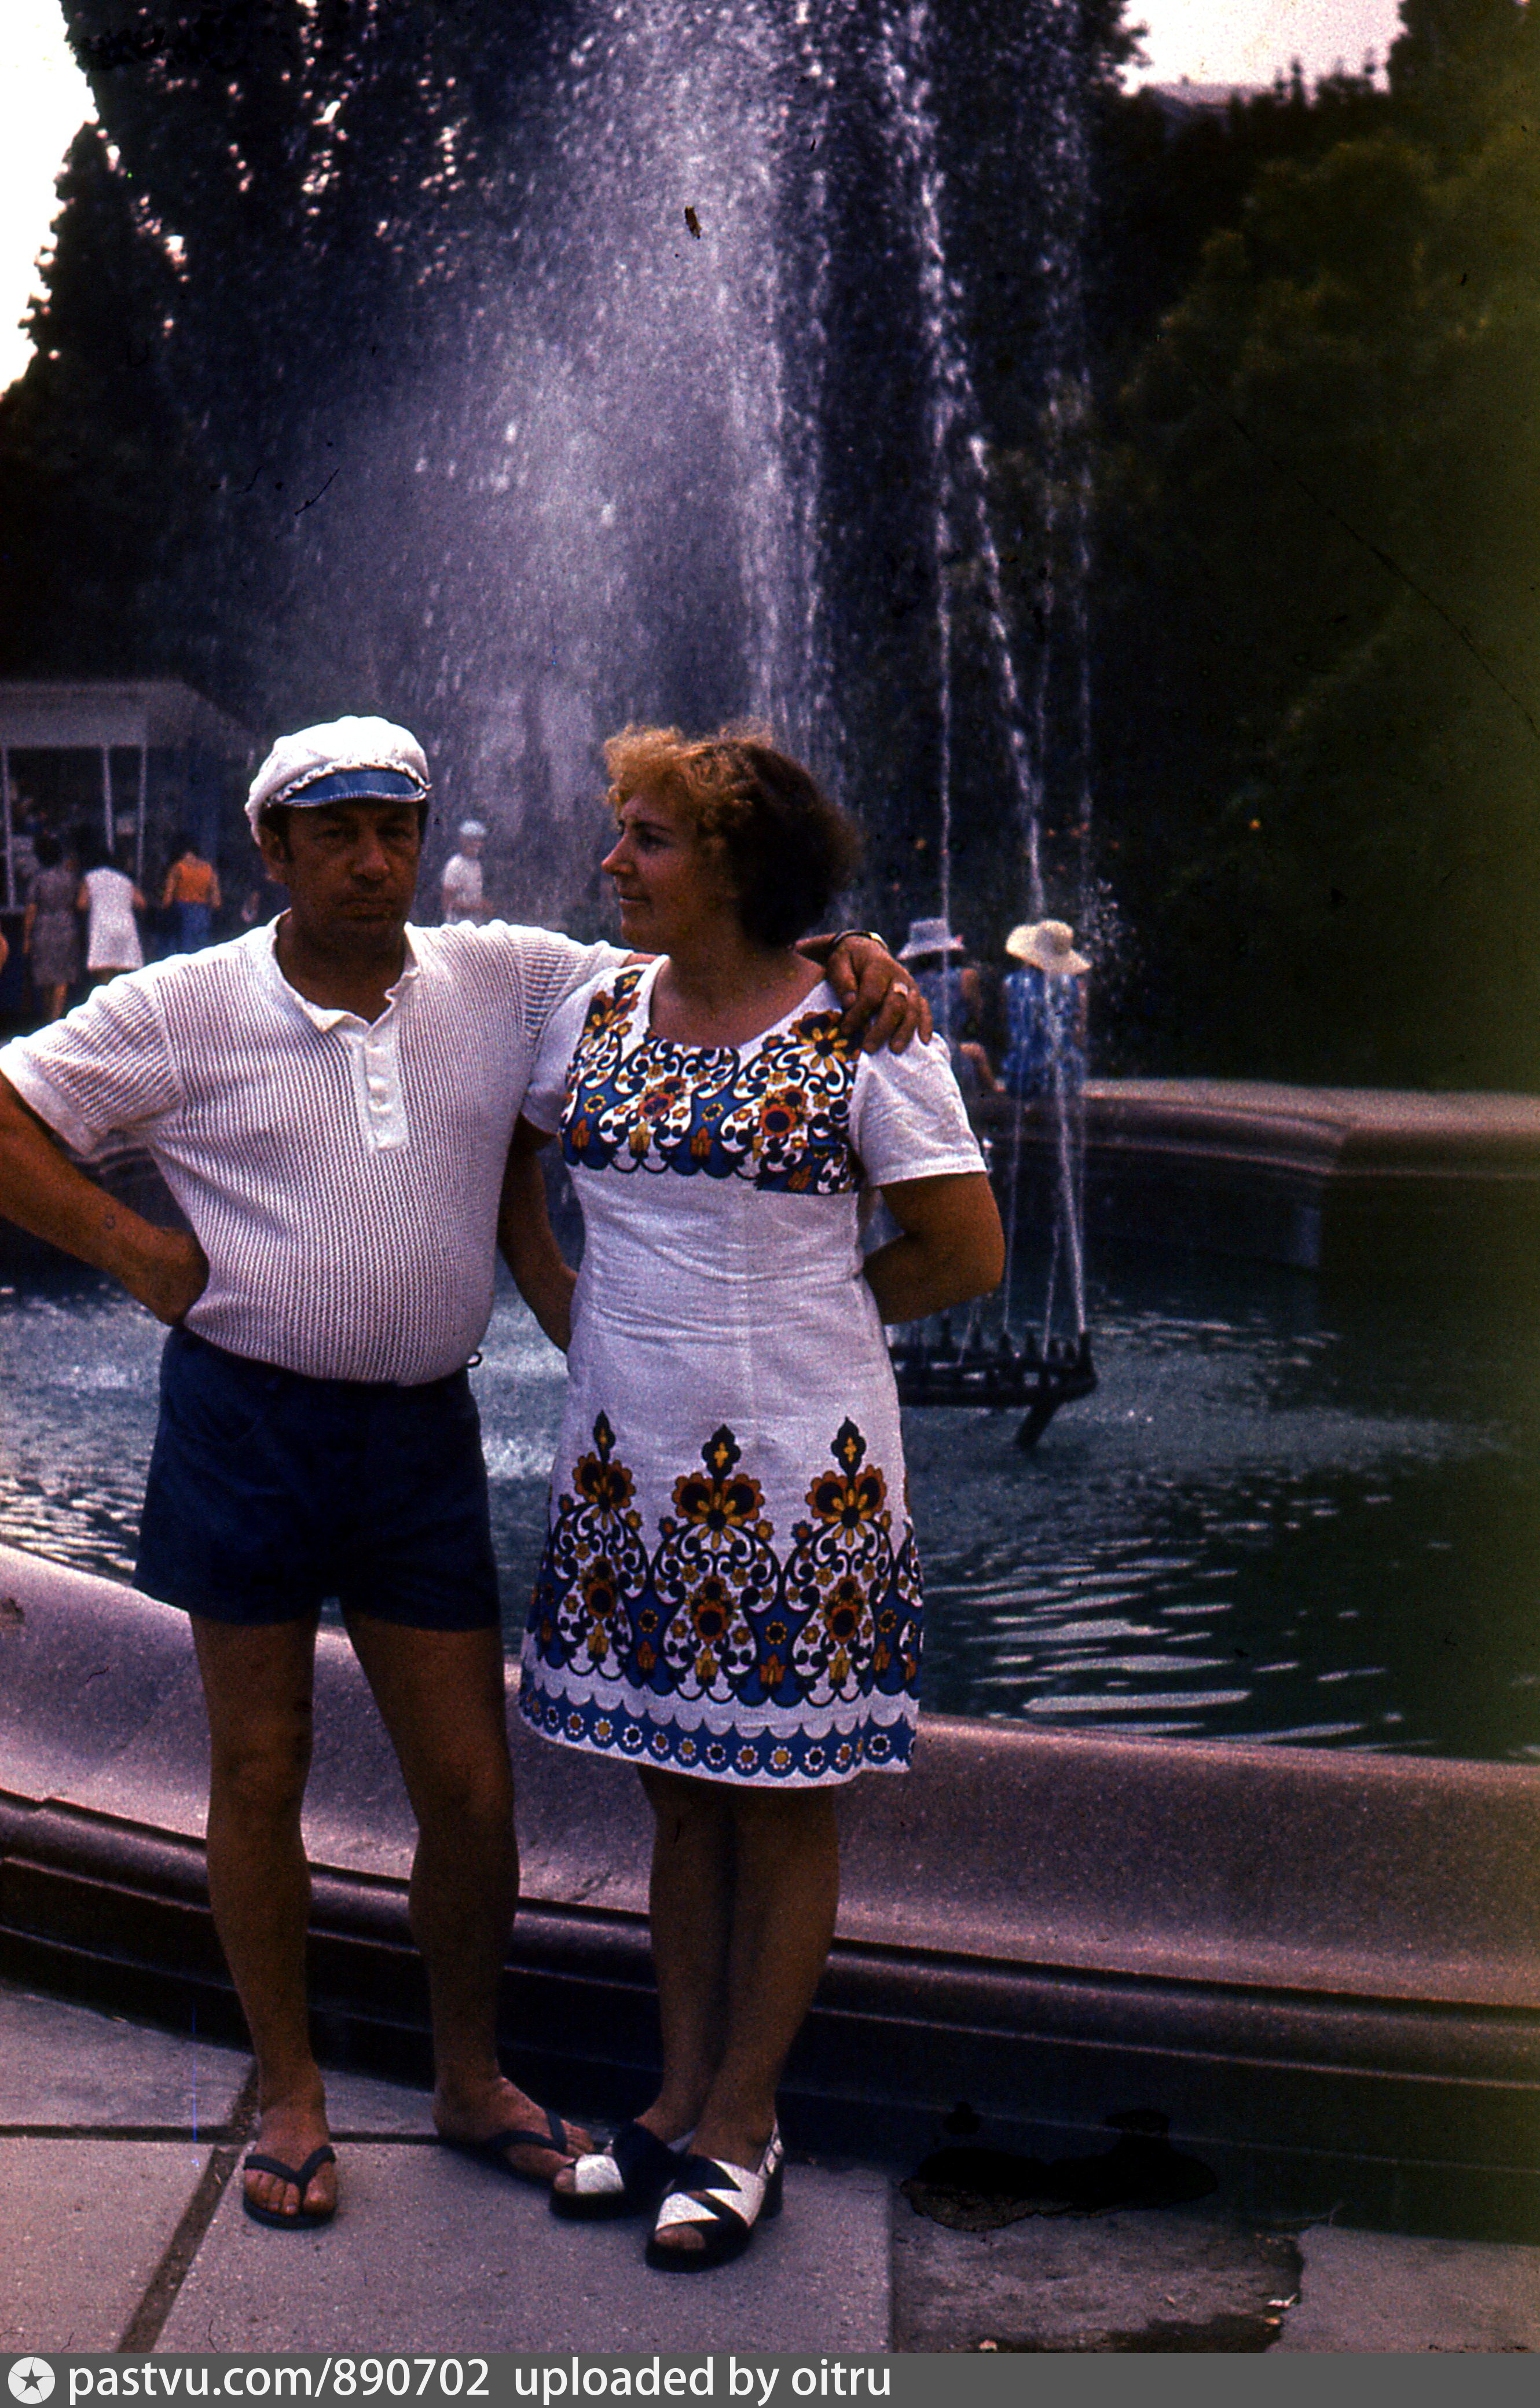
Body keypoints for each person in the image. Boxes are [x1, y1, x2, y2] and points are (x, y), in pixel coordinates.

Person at [0, 714, 925, 2235]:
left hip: (418, 1430)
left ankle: (468, 2074)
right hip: (244, 1425)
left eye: (398, 830)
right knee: (258, 1766)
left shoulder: (506, 977)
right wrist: (135, 1248)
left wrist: (845, 953)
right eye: (337, 834)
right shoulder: (183, 1003)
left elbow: (711, 957)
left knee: (472, 1784)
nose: (375, 861)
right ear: (273, 849)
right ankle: (289, 2089)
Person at [513, 727, 1004, 2271]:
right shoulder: (593, 1006)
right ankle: (674, 2099)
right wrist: (568, 1304)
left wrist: (812, 1317)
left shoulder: (864, 1027)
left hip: (800, 1488)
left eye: (648, 838)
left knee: (783, 1798)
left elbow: (966, 1249)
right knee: (676, 1789)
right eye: (623, 832)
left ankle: (743, 2123)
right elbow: (508, 1163)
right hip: (629, 1475)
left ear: (734, 867)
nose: (614, 861)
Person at [901, 915, 999, 1097]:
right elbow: (977, 1017)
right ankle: (996, 1098)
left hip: (911, 1055)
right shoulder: (965, 977)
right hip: (949, 1052)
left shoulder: (905, 982)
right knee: (977, 1054)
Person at [1002, 918, 1090, 1104]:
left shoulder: (1010, 984)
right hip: (1064, 1079)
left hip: (1020, 1077)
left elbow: (1009, 1030)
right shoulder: (1077, 987)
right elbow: (1079, 1036)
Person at [23, 834, 80, 1022]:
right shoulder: (71, 878)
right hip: (67, 925)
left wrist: (26, 938)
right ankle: (56, 1018)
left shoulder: (37, 879)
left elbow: (31, 909)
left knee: (45, 977)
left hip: (43, 927)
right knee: (62, 978)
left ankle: (49, 1018)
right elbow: (78, 902)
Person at [78, 845, 145, 982]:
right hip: (125, 926)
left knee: (104, 971)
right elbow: (141, 902)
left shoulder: (90, 878)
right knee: (126, 971)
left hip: (102, 927)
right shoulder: (125, 879)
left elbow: (81, 904)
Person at [161, 834, 222, 952]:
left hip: (181, 912)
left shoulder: (178, 868)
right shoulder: (208, 869)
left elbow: (167, 899)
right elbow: (217, 902)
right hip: (203, 913)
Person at [441, 819, 489, 923]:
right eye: (473, 840)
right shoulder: (455, 866)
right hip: (457, 926)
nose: (477, 844)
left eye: (479, 840)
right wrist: (477, 907)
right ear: (463, 841)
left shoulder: (476, 864)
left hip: (475, 925)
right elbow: (448, 902)